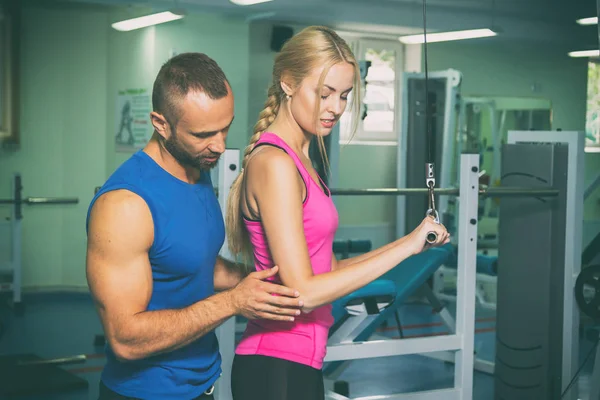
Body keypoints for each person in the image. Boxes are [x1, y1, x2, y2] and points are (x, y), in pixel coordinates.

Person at [225, 26, 450, 400]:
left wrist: (412, 243)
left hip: (299, 364)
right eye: (324, 93)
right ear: (288, 83)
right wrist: (406, 248)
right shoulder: (275, 164)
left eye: (344, 95)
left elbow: (326, 271)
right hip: (274, 366)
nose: (336, 107)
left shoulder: (303, 162)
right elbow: (303, 291)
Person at [85, 52, 304, 400]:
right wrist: (234, 301)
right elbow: (125, 338)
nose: (219, 145)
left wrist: (260, 280)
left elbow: (192, 260)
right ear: (161, 123)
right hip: (145, 393)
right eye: (204, 133)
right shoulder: (125, 206)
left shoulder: (195, 167)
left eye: (225, 127)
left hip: (203, 385)